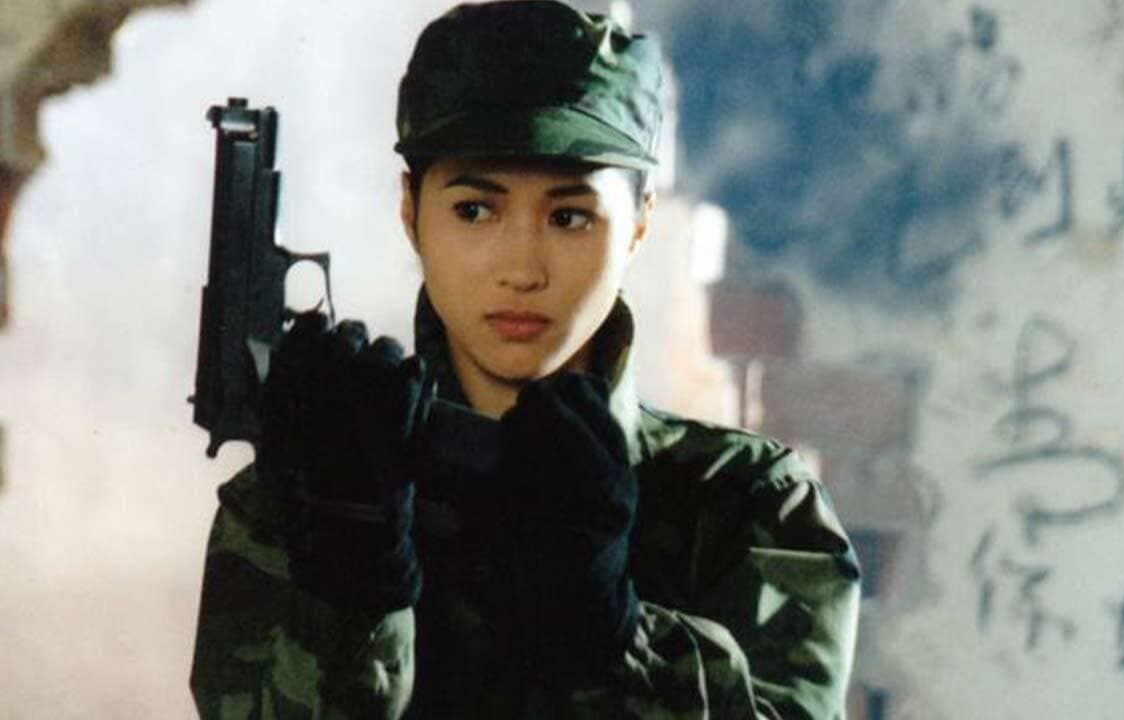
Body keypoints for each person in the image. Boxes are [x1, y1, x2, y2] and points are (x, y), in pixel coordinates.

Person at [189, 1, 860, 718]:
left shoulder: (749, 506)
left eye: (569, 217)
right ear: (411, 212)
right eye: (475, 210)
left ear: (638, 224)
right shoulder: (307, 493)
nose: (521, 269)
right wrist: (349, 582)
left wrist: (613, 637)